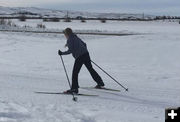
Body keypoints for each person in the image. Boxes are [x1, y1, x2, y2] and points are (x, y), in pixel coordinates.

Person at [58, 28, 105, 94]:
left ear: (66, 34)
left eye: (64, 34)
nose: (64, 35)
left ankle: (74, 88)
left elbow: (70, 51)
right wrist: (83, 52)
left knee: (75, 72)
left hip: (80, 57)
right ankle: (100, 82)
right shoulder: (75, 37)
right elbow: (84, 44)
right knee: (90, 69)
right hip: (86, 54)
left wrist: (62, 53)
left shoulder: (70, 40)